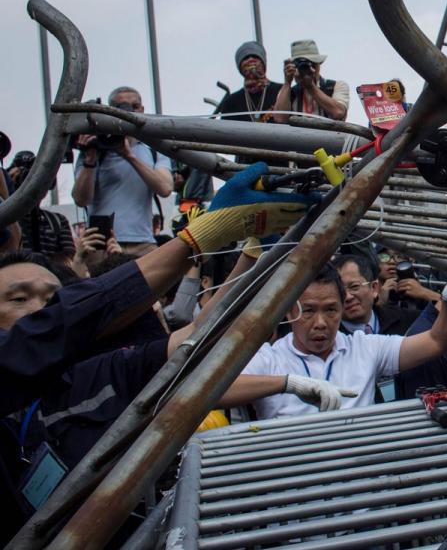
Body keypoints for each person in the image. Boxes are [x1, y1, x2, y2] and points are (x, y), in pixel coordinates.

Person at [0, 162, 313, 537]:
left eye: (53, 299)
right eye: (19, 298)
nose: (40, 311)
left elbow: (198, 335)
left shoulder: (92, 376)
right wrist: (195, 240)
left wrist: (251, 250)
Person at [221, 265, 447, 420]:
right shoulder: (270, 358)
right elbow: (216, 392)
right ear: (289, 312)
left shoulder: (364, 347)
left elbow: (437, 340)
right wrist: (287, 384)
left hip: (364, 493)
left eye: (331, 310)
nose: (320, 322)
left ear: (343, 308)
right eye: (308, 311)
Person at [71, 87, 173, 257]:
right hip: (101, 242)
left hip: (143, 242)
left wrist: (129, 156)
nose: (129, 113)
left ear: (141, 110)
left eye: (134, 106)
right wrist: (89, 162)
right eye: (121, 107)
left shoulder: (154, 149)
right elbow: (81, 199)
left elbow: (165, 189)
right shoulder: (94, 149)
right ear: (110, 112)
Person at [333, 254, 422, 337]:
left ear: (374, 288)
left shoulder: (406, 320)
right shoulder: (328, 337)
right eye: (339, 291)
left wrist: (426, 294)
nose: (348, 297)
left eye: (354, 287)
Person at [270, 39, 350, 122]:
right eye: (301, 66)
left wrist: (310, 86)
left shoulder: (337, 86)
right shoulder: (288, 93)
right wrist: (287, 83)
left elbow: (339, 112)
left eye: (312, 64)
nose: (305, 69)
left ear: (318, 65)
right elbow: (280, 119)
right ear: (294, 67)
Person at [217, 41, 284, 127]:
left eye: (255, 56)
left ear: (263, 62)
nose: (251, 60)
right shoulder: (231, 102)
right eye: (245, 58)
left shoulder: (282, 91)